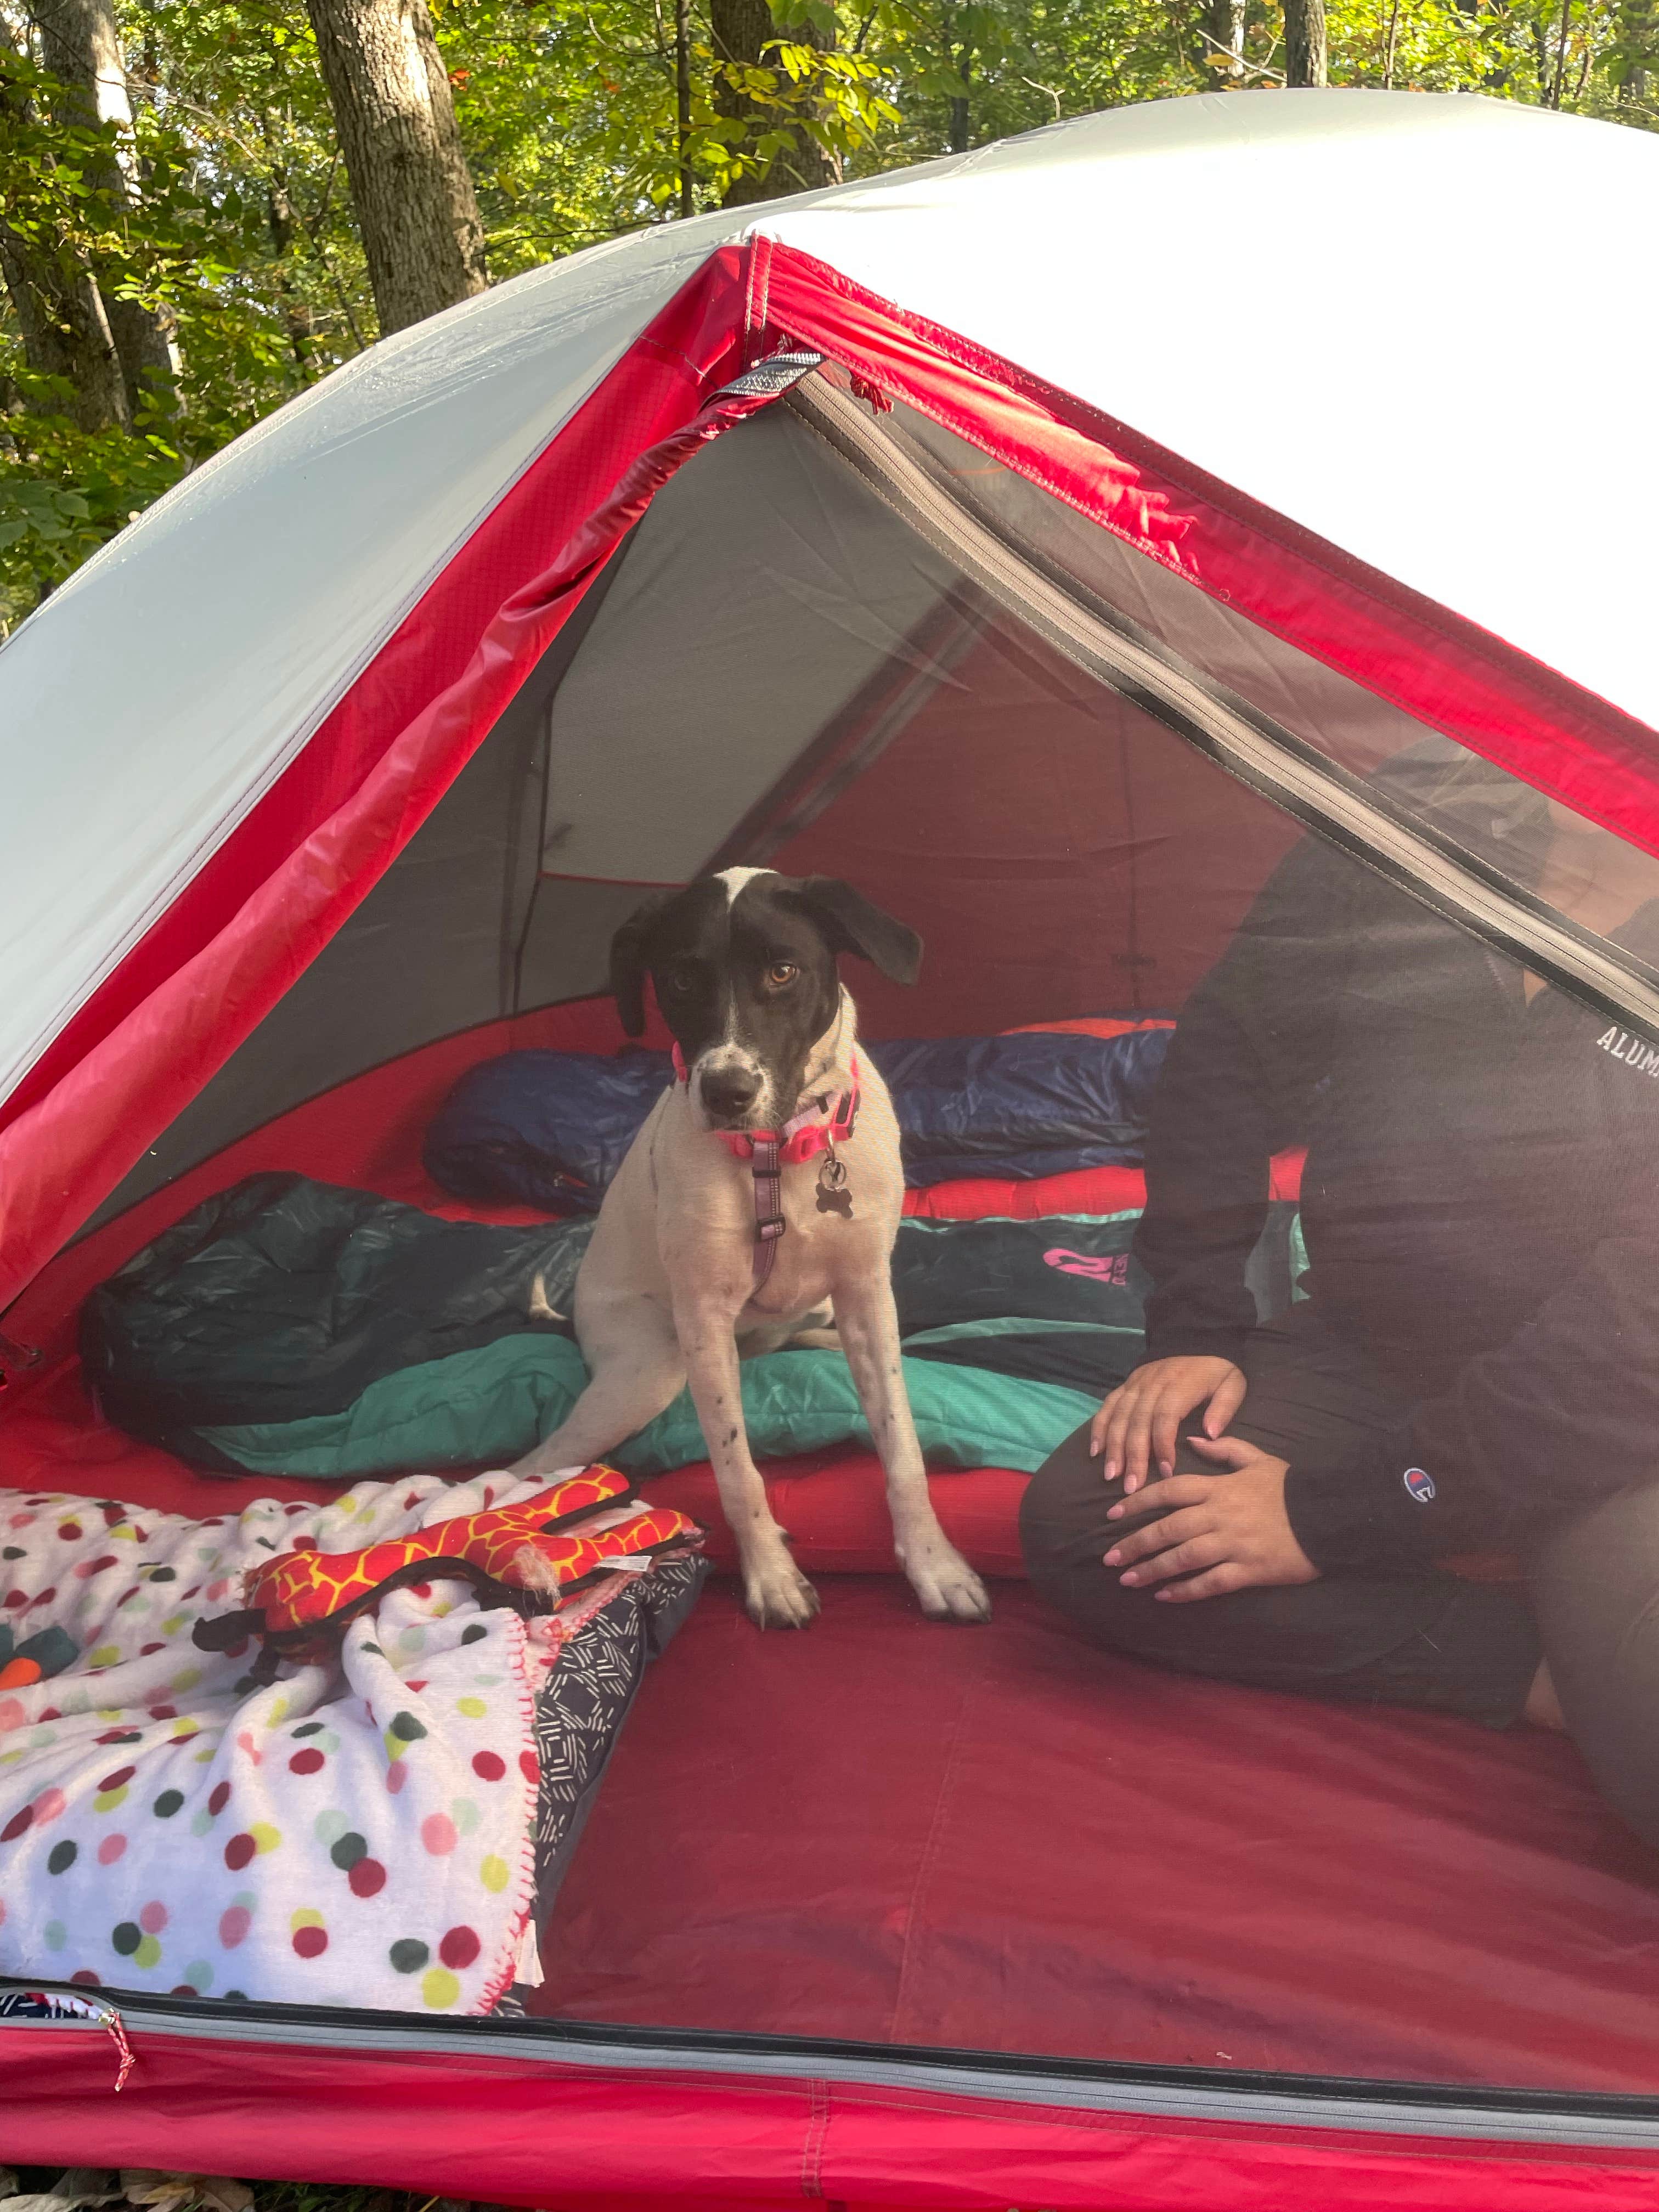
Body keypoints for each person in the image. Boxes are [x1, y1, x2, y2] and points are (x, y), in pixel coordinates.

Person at [1019, 740, 1659, 1848]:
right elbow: (1221, 1062)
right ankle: (1539, 1673)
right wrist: (1196, 1329)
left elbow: (1633, 1338)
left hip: (1613, 1421)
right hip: (1375, 1350)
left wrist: (1350, 1515)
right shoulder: (1412, 826)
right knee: (1098, 1525)